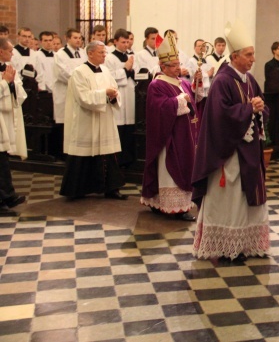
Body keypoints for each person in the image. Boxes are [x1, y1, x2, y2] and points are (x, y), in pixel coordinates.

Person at [192, 19, 269, 262]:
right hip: (229, 155)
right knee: (230, 200)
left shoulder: (249, 80)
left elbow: (261, 107)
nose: (253, 59)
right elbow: (220, 116)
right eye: (248, 54)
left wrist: (259, 108)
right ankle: (227, 248)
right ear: (234, 56)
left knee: (246, 200)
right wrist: (249, 109)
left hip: (248, 152)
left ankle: (245, 243)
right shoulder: (223, 81)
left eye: (253, 54)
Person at [140, 32, 202, 221]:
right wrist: (178, 101)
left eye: (178, 64)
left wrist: (196, 85)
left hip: (186, 135)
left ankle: (180, 205)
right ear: (162, 66)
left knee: (186, 166)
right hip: (170, 136)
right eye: (173, 65)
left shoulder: (182, 82)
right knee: (169, 169)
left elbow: (195, 101)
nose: (178, 68)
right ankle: (170, 206)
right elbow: (158, 108)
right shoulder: (156, 85)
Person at [59, 41, 126, 200]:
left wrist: (114, 95)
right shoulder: (79, 72)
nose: (104, 55)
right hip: (87, 119)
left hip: (104, 118)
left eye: (105, 52)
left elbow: (115, 89)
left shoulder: (105, 70)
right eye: (101, 53)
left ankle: (111, 189)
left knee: (108, 153)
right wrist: (105, 93)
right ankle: (76, 190)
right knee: (83, 154)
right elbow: (83, 97)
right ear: (90, 53)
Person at [0, 37, 27, 211]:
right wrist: (5, 82)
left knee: (2, 158)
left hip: (5, 119)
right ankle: (7, 196)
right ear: (1, 51)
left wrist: (10, 83)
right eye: (10, 50)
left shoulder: (9, 68)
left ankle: (7, 196)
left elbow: (20, 92)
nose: (12, 53)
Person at [53, 29, 87, 158]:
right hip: (65, 91)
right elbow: (63, 73)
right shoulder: (60, 54)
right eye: (75, 38)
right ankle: (62, 153)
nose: (78, 40)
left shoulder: (83, 53)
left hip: (79, 91)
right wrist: (81, 79)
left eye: (80, 38)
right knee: (64, 121)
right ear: (67, 38)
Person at [105, 29, 136, 167]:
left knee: (129, 126)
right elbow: (109, 75)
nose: (126, 44)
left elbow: (137, 72)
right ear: (115, 41)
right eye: (123, 42)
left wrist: (131, 70)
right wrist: (125, 70)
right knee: (118, 126)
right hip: (118, 93)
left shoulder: (132, 55)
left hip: (130, 93)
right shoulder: (109, 58)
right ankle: (117, 159)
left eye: (127, 41)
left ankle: (128, 157)